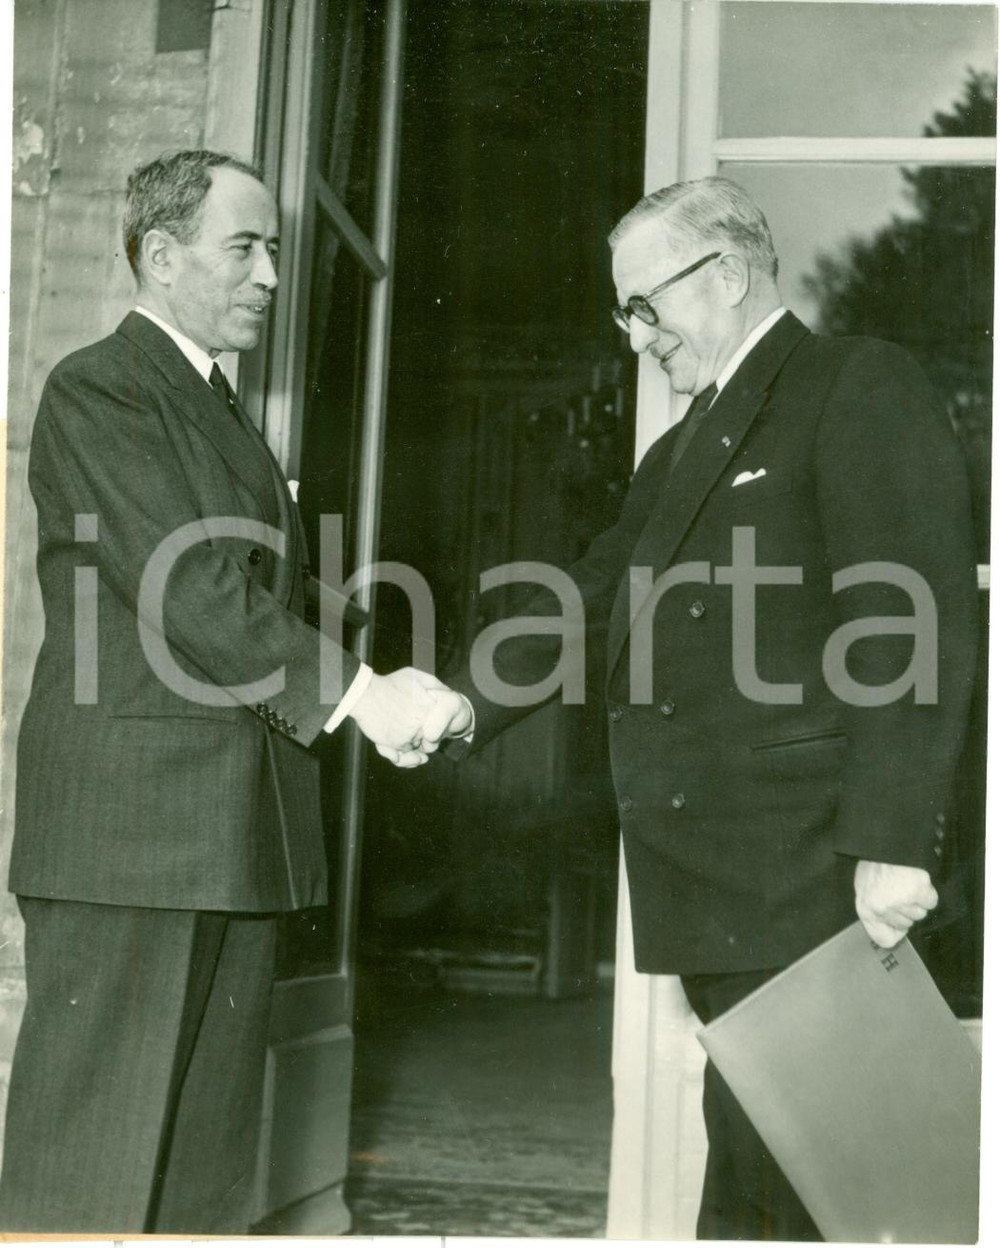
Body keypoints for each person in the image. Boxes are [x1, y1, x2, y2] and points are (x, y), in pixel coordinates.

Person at [438, 177, 979, 1240]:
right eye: (623, 312)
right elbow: (596, 596)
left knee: (833, 1187)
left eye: (646, 305)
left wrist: (892, 840)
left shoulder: (854, 384)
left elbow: (907, 619)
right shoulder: (681, 447)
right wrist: (457, 701)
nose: (635, 336)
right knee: (764, 1170)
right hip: (726, 884)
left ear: (726, 276)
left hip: (814, 873)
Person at [0, 148, 465, 1233]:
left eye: (274, 251)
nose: (268, 275)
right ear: (161, 257)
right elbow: (196, 586)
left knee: (201, 1182)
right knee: (89, 1174)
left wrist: (411, 669)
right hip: (135, 838)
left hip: (224, 832)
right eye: (243, 249)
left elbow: (276, 590)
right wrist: (362, 695)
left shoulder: (212, 408)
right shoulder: (103, 387)